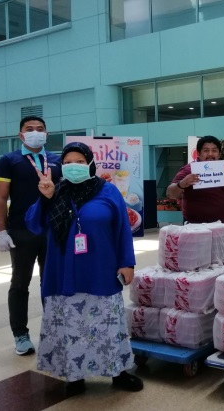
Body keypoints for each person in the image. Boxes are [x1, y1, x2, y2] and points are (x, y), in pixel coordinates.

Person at [25, 142, 143, 395]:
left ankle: (119, 372)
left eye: (79, 161)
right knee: (70, 326)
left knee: (108, 324)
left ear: (90, 163)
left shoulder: (108, 191)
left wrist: (126, 262)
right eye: (67, 162)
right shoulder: (55, 191)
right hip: (63, 271)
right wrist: (45, 198)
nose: (73, 166)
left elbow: (123, 229)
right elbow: (34, 224)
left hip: (100, 270)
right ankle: (74, 375)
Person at [0, 115, 62, 356]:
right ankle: (20, 334)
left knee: (51, 281)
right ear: (21, 134)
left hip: (53, 230)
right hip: (21, 231)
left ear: (46, 134)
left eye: (40, 129)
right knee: (20, 283)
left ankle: (53, 330)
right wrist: (1, 231)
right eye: (30, 129)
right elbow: (0, 197)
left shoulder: (57, 160)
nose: (35, 132)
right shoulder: (9, 160)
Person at [166, 136, 224, 224]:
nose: (210, 154)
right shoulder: (188, 170)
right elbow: (170, 194)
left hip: (221, 224)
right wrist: (182, 184)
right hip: (194, 225)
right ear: (198, 153)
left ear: (219, 154)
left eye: (214, 150)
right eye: (206, 150)